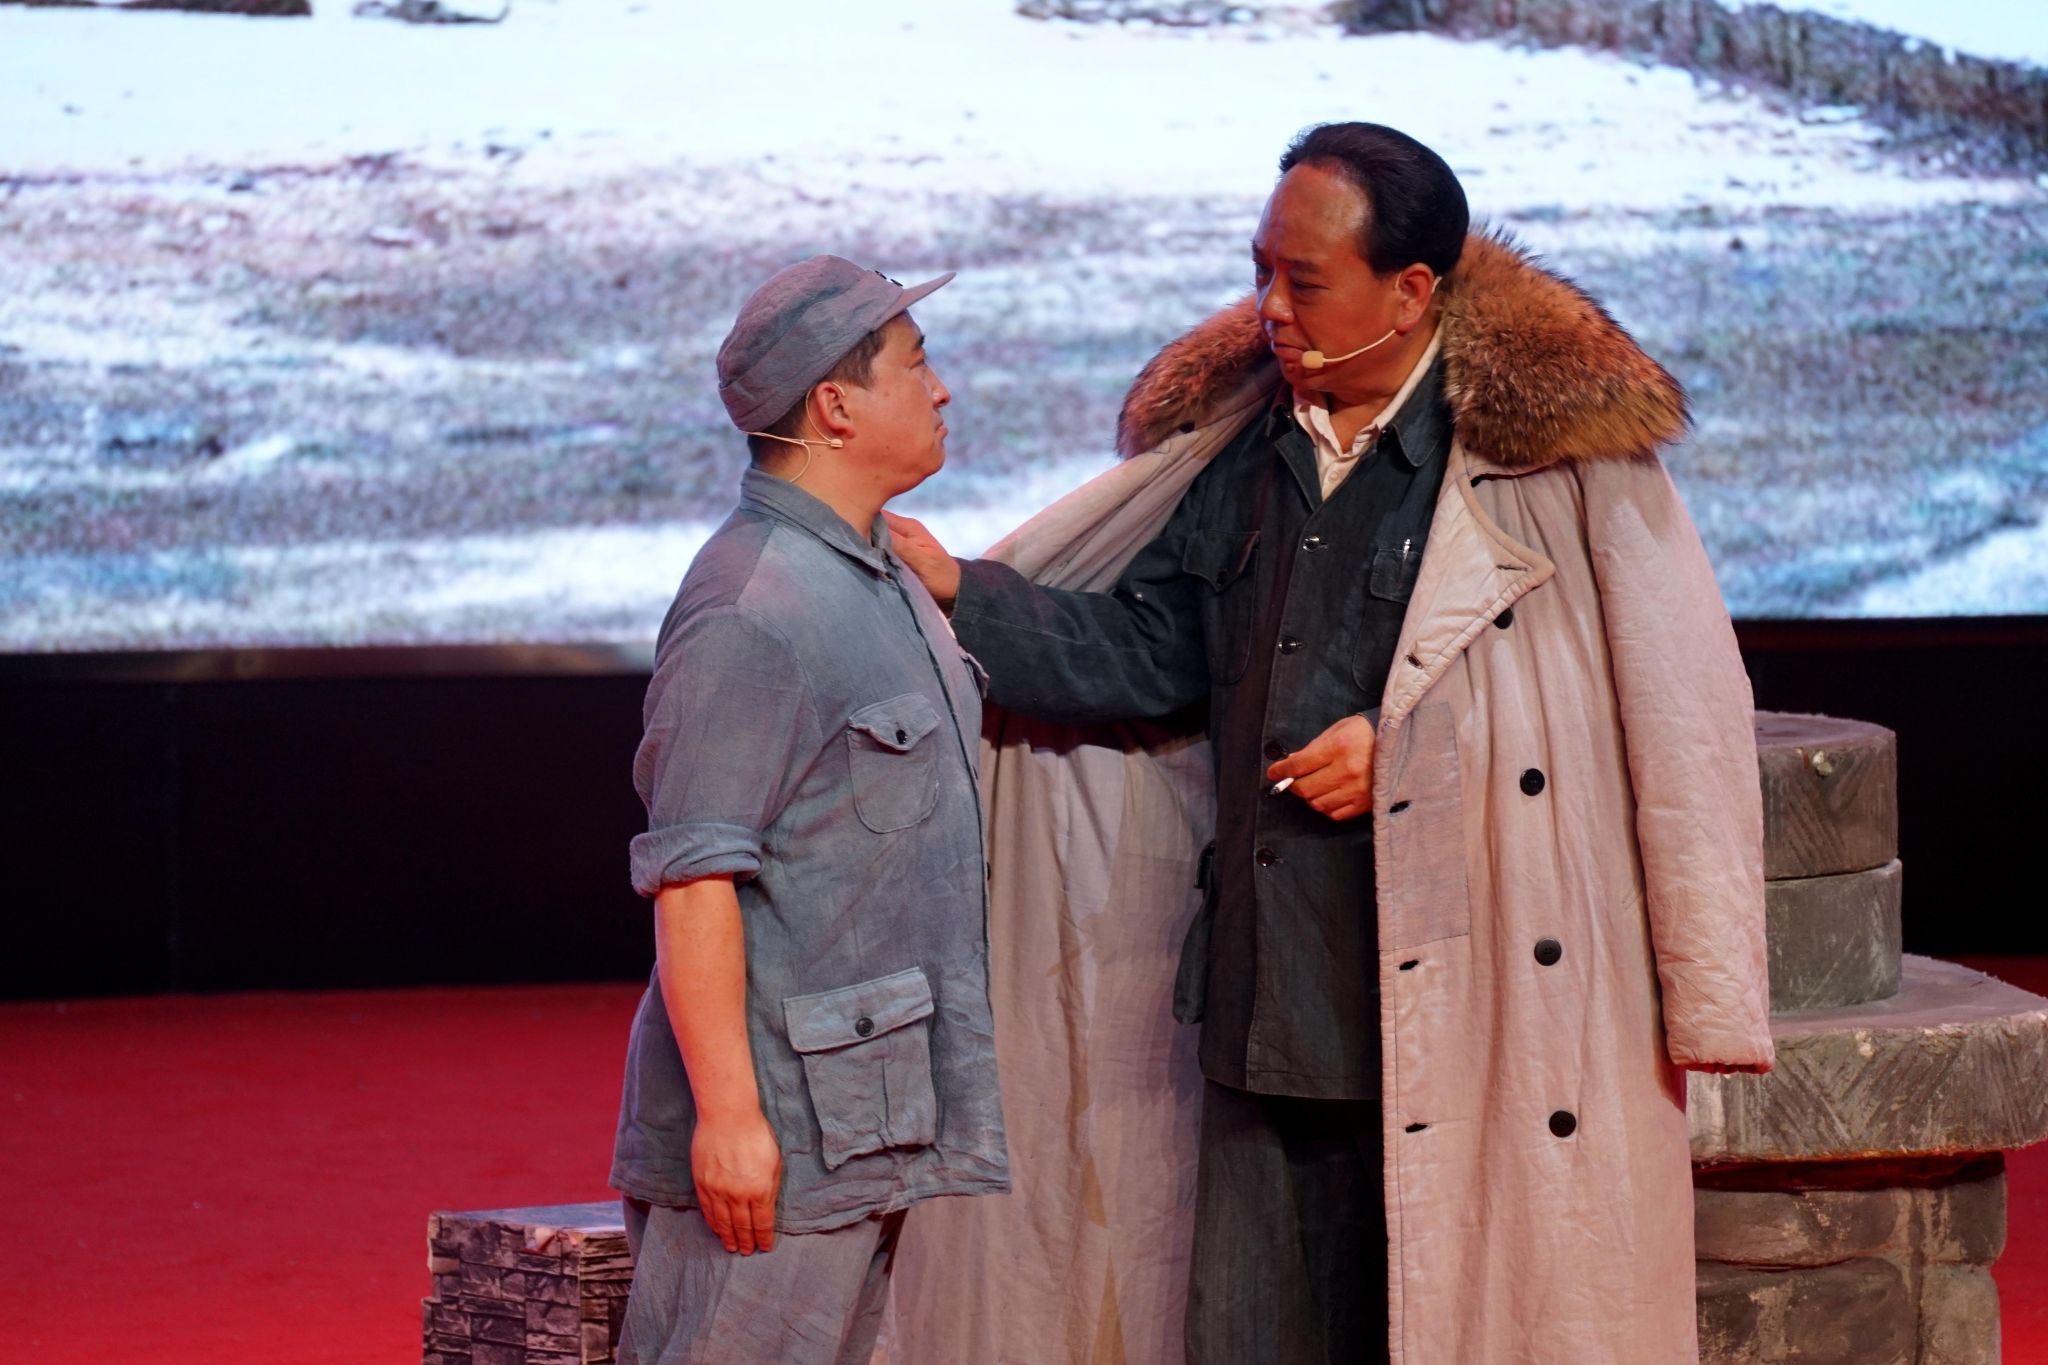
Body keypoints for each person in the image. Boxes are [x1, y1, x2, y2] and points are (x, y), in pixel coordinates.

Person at [883, 122, 1774, 1364]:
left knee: (1457, 1321)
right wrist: (964, 594)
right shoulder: (1245, 452)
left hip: (1470, 1000)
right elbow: (1155, 651)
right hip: (1269, 990)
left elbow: (1656, 723)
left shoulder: (1548, 470)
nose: (1268, 309)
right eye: (1260, 272)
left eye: (1303, 282)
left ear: (1409, 291)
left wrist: (1404, 754)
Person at [609, 256, 1007, 1365]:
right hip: (780, 1136)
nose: (940, 389)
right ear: (835, 406)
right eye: (916, 365)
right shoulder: (753, 607)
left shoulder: (879, 574)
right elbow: (694, 877)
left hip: (860, 1117)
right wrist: (731, 1120)